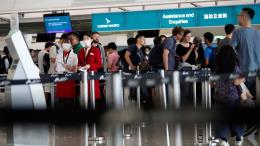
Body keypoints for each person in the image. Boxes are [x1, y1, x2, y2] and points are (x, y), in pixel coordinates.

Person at [214, 45, 245, 146]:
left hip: (220, 98)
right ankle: (238, 138)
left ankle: (224, 140)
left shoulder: (218, 68)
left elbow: (212, 82)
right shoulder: (234, 67)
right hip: (233, 98)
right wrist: (243, 78)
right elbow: (237, 82)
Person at [231, 7, 260, 97]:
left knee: (244, 101)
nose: (237, 18)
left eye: (238, 16)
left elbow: (229, 52)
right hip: (258, 74)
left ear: (243, 17)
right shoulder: (258, 33)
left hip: (243, 75)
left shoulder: (237, 33)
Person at [78, 33, 102, 101]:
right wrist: (78, 66)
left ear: (91, 39)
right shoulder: (81, 51)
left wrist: (90, 66)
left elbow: (99, 64)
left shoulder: (95, 50)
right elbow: (79, 63)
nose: (85, 40)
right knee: (84, 96)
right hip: (83, 75)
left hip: (92, 75)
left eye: (87, 39)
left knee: (93, 95)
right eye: (84, 39)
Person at [55, 37, 78, 108]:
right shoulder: (58, 55)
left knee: (70, 99)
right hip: (61, 78)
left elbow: (75, 69)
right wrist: (62, 67)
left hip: (70, 79)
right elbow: (56, 67)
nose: (66, 44)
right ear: (62, 45)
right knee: (61, 99)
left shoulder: (74, 55)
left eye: (68, 43)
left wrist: (70, 68)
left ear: (71, 44)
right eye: (64, 43)